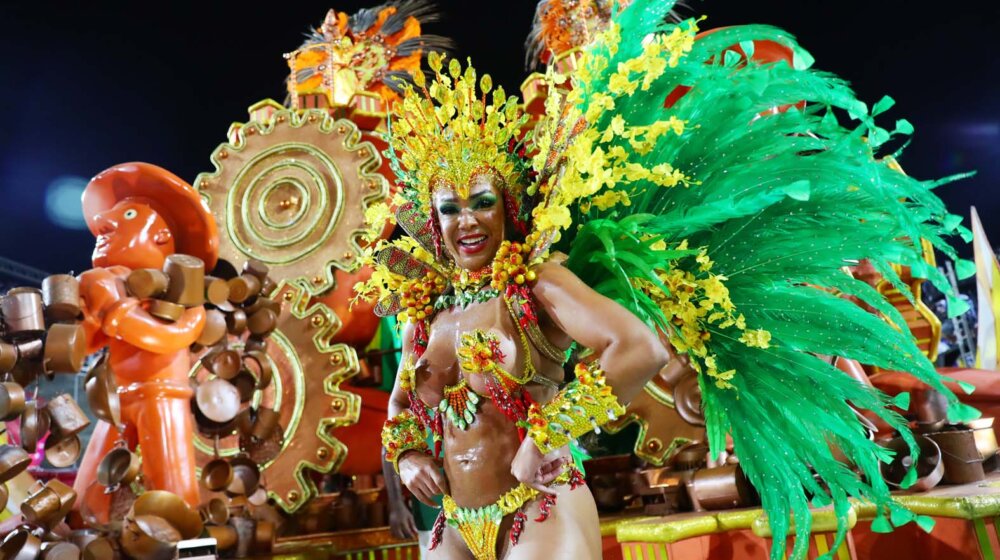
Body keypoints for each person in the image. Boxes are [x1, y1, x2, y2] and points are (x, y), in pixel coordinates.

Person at [359, 1, 979, 558]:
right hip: (451, 524)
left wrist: (547, 436)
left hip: (536, 507)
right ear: (430, 221)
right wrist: (410, 451)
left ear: (509, 208)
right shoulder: (427, 309)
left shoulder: (536, 283)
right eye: (449, 209)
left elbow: (638, 347)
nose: (467, 221)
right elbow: (402, 406)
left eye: (482, 202)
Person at [73, 162, 216, 516]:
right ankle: (79, 534)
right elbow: (80, 345)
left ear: (162, 238)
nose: (104, 223)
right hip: (116, 399)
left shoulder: (183, 294)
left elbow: (169, 336)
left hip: (161, 399)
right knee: (88, 493)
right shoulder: (111, 285)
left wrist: (111, 308)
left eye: (130, 213)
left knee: (172, 494)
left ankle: (182, 545)